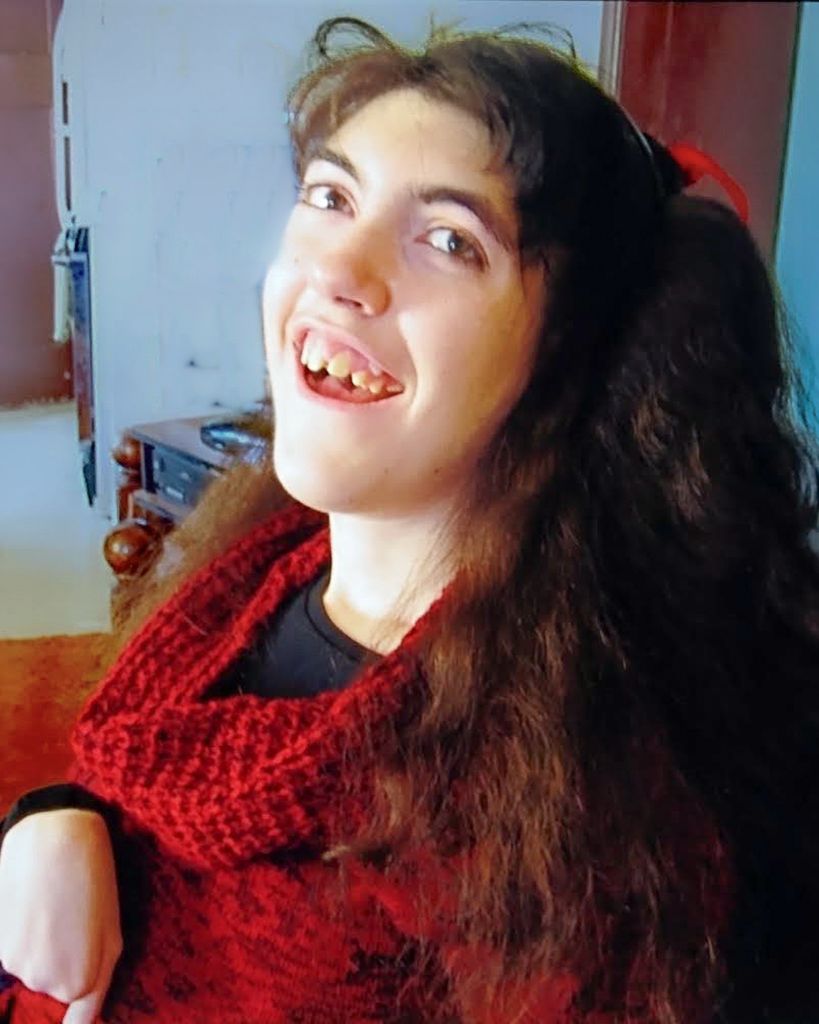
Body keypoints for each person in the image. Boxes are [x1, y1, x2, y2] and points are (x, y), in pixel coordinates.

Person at [1, 15, 818, 1024]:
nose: (337, 271)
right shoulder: (255, 568)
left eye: (448, 240)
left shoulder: (591, 830)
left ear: (573, 354)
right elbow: (145, 794)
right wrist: (55, 816)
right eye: (331, 196)